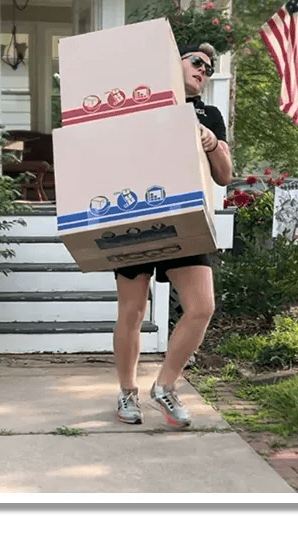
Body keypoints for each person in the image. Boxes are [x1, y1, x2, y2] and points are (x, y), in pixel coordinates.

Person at [113, 41, 233, 427]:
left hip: (184, 217)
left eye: (209, 68)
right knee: (132, 310)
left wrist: (211, 142)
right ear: (174, 60)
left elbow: (225, 175)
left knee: (202, 306)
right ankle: (126, 394)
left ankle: (165, 386)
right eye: (196, 61)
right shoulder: (139, 101)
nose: (204, 69)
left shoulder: (209, 114)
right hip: (135, 213)